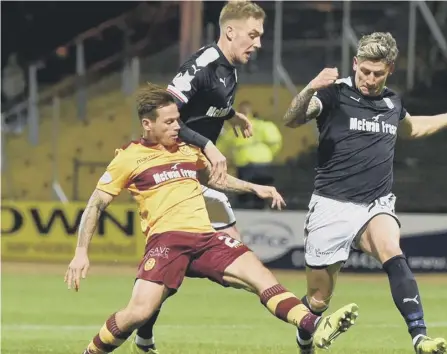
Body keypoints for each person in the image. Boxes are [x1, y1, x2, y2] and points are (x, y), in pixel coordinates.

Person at [65, 84, 359, 354]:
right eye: (168, 122)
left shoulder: (186, 149)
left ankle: (316, 327)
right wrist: (80, 252)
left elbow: (216, 179)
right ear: (147, 124)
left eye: (177, 119)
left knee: (262, 277)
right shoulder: (129, 157)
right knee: (139, 313)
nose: (176, 126)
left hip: (207, 239)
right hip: (167, 241)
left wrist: (254, 187)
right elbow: (96, 204)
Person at [283, 32, 447, 354]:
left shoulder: (392, 102)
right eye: (364, 71)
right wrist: (311, 87)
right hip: (331, 205)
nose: (369, 79)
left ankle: (420, 336)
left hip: (374, 204)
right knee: (319, 298)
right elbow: (291, 119)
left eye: (378, 73)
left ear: (390, 69)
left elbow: (413, 127)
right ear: (355, 64)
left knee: (392, 250)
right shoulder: (334, 95)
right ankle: (305, 338)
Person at [134, 2, 267, 350]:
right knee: (220, 238)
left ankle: (144, 335)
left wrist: (231, 114)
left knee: (171, 261)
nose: (258, 43)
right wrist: (208, 144)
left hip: (190, 173)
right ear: (230, 31)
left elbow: (209, 103)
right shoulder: (202, 63)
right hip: (169, 168)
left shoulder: (231, 68)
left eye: (260, 36)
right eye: (253, 35)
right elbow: (163, 110)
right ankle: (274, 294)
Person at [217, 101, 283, 209]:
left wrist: (269, 155)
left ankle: (260, 210)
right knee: (247, 194)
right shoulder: (237, 129)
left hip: (259, 165)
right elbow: (221, 146)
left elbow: (276, 142)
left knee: (256, 194)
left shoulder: (261, 126)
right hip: (248, 165)